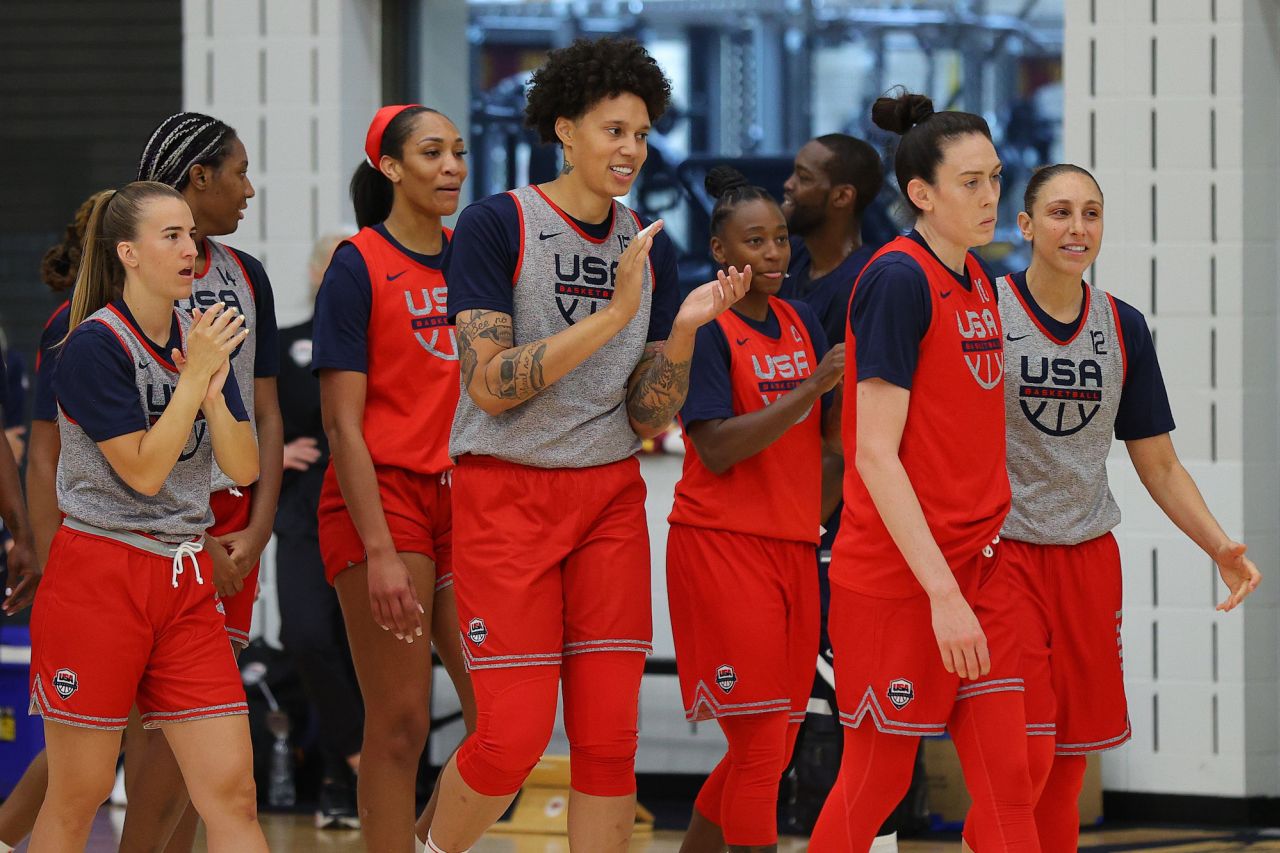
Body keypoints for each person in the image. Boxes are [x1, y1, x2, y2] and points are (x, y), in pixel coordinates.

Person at [425, 36, 748, 853]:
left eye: (640, 133)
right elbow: (490, 383)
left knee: (609, 744)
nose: (630, 149)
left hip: (606, 496)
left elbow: (646, 414)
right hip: (507, 493)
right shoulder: (498, 225)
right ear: (565, 130)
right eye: (613, 130)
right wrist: (612, 312)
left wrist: (678, 329)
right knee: (510, 741)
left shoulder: (650, 243)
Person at [961, 165, 1261, 852]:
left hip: (1089, 559)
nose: (1078, 228)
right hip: (1001, 554)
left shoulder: (1121, 325)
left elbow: (1158, 461)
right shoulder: (985, 311)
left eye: (1091, 213)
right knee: (1022, 765)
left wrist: (1219, 546)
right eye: (1061, 212)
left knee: (1066, 773)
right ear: (1027, 226)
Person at [809, 90, 1039, 851]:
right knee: (876, 782)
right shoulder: (897, 279)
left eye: (996, 177)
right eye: (970, 181)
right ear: (921, 193)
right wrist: (942, 592)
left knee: (1012, 784)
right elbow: (873, 452)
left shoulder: (978, 278)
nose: (990, 195)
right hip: (902, 582)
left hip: (984, 565)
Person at [27, 181, 266, 853]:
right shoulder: (92, 345)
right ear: (128, 253)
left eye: (192, 234)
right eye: (173, 236)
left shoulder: (201, 338)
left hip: (184, 577)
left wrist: (215, 395)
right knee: (79, 795)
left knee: (232, 793)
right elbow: (142, 469)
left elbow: (243, 467)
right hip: (100, 574)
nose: (192, 249)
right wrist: (193, 384)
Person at [313, 105, 477, 853]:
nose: (451, 166)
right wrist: (377, 547)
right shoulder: (358, 263)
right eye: (432, 153)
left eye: (459, 152)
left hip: (463, 501)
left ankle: (417, 843)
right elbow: (343, 425)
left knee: (501, 719)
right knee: (404, 718)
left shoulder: (474, 256)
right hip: (382, 498)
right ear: (390, 167)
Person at [668, 167, 842, 853]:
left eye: (778, 239)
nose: (773, 253)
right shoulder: (704, 326)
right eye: (754, 241)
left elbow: (822, 449)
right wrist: (808, 390)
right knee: (763, 741)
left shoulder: (797, 319)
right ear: (719, 251)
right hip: (722, 547)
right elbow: (715, 448)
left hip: (793, 546)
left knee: (772, 737)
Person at [124, 110, 282, 853]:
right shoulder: (128, 279)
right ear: (198, 178)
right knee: (140, 758)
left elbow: (267, 410)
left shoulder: (248, 274)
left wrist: (256, 527)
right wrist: (194, 533)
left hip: (235, 512)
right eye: (239, 172)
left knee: (204, 769)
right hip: (157, 522)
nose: (250, 189)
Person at [0, 190, 111, 853]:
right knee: (84, 757)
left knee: (124, 746)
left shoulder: (177, 324)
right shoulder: (68, 326)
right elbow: (39, 455)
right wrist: (37, 543)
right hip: (88, 553)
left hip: (161, 557)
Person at [275, 231, 363, 830]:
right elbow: (245, 416)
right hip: (302, 512)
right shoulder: (281, 345)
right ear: (312, 271)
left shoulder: (379, 343)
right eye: (331, 261)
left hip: (370, 508)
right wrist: (271, 454)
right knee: (305, 635)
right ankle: (361, 757)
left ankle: (341, 782)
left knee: (359, 648)